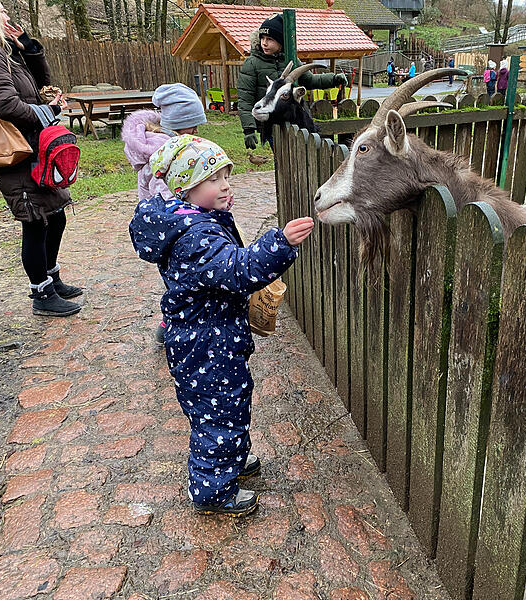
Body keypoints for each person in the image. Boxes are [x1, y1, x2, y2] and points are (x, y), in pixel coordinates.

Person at [129, 135, 314, 516]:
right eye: (213, 179)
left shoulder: (192, 220)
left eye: (226, 176)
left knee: (231, 404)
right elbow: (238, 269)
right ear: (185, 188)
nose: (225, 185)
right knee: (217, 415)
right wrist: (280, 243)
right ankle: (212, 491)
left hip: (213, 335)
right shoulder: (195, 236)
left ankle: (232, 459)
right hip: (206, 344)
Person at [0, 0, 81, 317]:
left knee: (56, 215)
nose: (6, 13)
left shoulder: (3, 50)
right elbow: (5, 105)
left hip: (33, 146)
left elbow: (40, 85)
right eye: (0, 8)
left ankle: (52, 278)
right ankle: (41, 294)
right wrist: (48, 112)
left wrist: (28, 48)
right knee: (35, 221)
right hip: (15, 150)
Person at [121, 82, 207, 344]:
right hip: (173, 229)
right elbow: (169, 198)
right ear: (177, 123)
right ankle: (172, 325)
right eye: (191, 125)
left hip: (166, 228)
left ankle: (174, 322)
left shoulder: (166, 145)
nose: (196, 131)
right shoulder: (166, 155)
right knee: (183, 280)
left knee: (177, 278)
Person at [237, 13, 347, 150]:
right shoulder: (252, 63)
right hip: (271, 123)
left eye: (270, 39)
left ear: (281, 41)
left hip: (295, 122)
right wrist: (249, 129)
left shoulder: (291, 59)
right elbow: (245, 99)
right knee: (282, 156)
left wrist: (334, 79)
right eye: (262, 38)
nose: (264, 43)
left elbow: (310, 80)